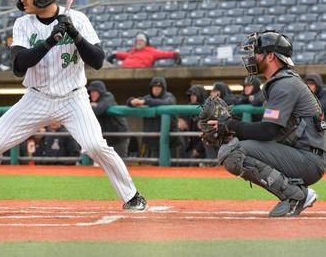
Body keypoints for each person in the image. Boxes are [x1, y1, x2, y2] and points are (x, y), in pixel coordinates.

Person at [0, 0, 147, 213]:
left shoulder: (78, 19)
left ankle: (132, 196)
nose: (23, 0)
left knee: (95, 146)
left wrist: (74, 34)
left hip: (73, 98)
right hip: (36, 98)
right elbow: (18, 66)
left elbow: (97, 61)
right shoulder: (23, 23)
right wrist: (49, 41)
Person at [207, 30, 325, 217]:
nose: (252, 56)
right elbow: (272, 132)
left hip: (308, 160)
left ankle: (294, 195)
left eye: (257, 52)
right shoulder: (282, 81)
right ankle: (299, 191)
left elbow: (268, 131)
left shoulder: (284, 84)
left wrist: (231, 125)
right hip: (303, 154)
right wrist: (231, 130)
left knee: (231, 151)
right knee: (233, 146)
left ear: (270, 56)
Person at [127, 76, 178, 158]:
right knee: (153, 167)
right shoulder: (147, 97)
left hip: (169, 140)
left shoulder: (169, 97)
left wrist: (145, 102)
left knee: (171, 166)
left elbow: (167, 102)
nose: (156, 89)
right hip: (152, 140)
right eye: (154, 87)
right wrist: (131, 101)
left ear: (163, 88)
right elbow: (131, 102)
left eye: (159, 87)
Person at [88, 80, 129, 157]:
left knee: (120, 162)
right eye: (91, 92)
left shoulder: (108, 96)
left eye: (95, 91)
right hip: (106, 138)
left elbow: (98, 110)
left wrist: (94, 105)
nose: (92, 94)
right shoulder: (92, 101)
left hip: (119, 138)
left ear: (100, 92)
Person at [107, 33, 181, 68]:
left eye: (141, 40)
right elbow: (124, 55)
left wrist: (175, 55)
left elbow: (166, 54)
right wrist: (114, 55)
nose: (138, 42)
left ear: (146, 43)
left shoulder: (152, 51)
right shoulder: (133, 51)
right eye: (137, 40)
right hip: (123, 70)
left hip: (137, 71)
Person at [178, 85, 208, 160]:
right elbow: (181, 124)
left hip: (204, 149)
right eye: (190, 95)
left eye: (194, 94)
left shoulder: (208, 108)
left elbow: (208, 132)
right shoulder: (188, 108)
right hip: (189, 146)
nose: (191, 97)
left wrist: (198, 149)